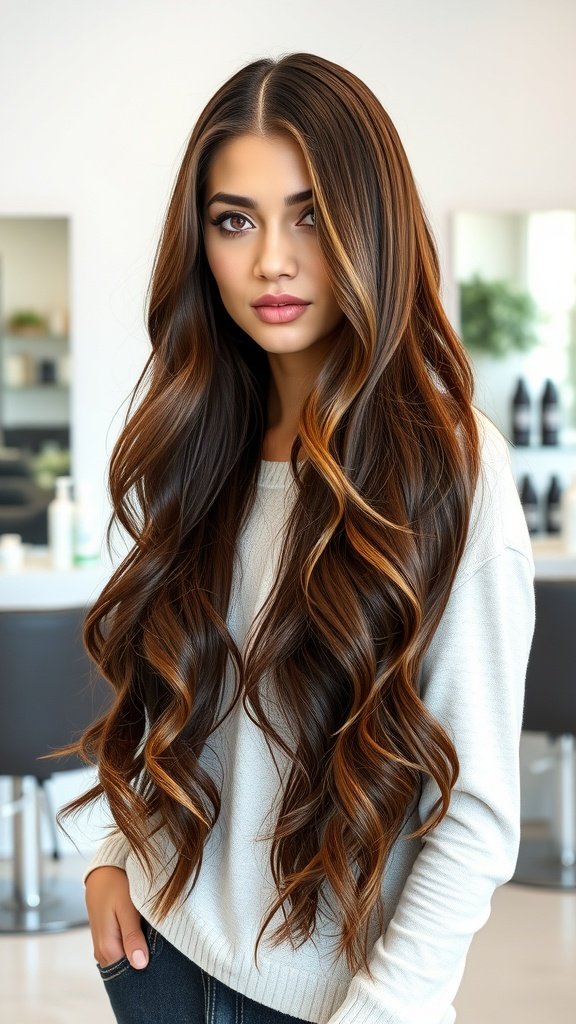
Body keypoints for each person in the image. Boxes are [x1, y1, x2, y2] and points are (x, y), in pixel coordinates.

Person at [63, 52, 535, 1024]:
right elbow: (166, 691)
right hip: (159, 956)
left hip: (331, 1004)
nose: (272, 258)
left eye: (310, 214)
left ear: (373, 224)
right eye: (235, 220)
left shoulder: (448, 465)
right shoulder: (202, 442)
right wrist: (114, 854)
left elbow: (477, 816)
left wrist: (378, 1012)